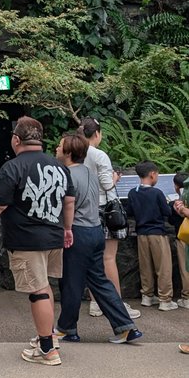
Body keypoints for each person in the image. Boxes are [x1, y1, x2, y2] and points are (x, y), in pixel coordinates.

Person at [0, 116, 75, 366]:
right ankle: (48, 337)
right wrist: (67, 229)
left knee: (37, 292)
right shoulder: (59, 166)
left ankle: (47, 350)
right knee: (45, 286)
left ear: (16, 139)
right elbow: (69, 201)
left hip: (27, 239)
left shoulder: (12, 167)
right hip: (54, 234)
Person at [55, 132, 142, 344]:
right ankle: (125, 326)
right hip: (95, 230)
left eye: (59, 146)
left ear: (68, 152)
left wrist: (65, 228)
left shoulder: (65, 175)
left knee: (71, 282)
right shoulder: (89, 173)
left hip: (77, 231)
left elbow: (67, 204)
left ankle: (67, 328)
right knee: (100, 281)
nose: (56, 148)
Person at [78, 117, 141, 321]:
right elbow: (106, 185)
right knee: (108, 257)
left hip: (83, 209)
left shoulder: (76, 152)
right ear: (97, 134)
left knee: (93, 259)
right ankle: (116, 303)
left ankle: (96, 302)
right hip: (105, 209)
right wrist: (114, 179)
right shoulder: (99, 155)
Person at [126, 161, 176, 311]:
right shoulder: (157, 193)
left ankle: (147, 296)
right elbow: (167, 212)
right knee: (163, 267)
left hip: (141, 234)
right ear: (152, 174)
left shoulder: (132, 192)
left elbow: (129, 212)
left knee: (145, 266)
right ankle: (165, 299)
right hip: (157, 234)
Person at [170, 171, 189, 310]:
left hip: (183, 236)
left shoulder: (179, 199)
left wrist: (179, 209)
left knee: (185, 268)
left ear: (177, 186)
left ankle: (186, 297)